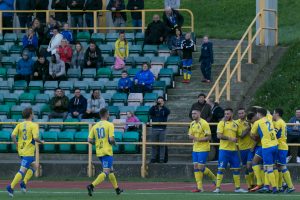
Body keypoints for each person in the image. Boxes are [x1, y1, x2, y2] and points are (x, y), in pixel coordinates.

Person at [6, 107, 44, 198]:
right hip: (28, 151)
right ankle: (10, 187)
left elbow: (12, 135)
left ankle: (23, 183)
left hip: (21, 150)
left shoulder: (20, 124)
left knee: (35, 166)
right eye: (33, 113)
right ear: (31, 114)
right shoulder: (34, 125)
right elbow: (35, 138)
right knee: (22, 170)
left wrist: (17, 144)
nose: (34, 114)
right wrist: (41, 141)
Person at [87, 108, 123, 196]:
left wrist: (97, 143)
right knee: (106, 171)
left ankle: (117, 189)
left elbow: (89, 139)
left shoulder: (95, 126)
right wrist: (114, 143)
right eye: (108, 113)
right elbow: (111, 139)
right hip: (107, 151)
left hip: (99, 151)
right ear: (107, 114)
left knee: (111, 170)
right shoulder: (109, 124)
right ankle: (91, 186)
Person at [213, 108, 248, 193]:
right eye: (225, 114)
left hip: (234, 151)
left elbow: (241, 135)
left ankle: (238, 188)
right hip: (224, 150)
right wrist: (230, 138)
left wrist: (249, 127)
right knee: (221, 169)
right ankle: (217, 188)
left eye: (228, 114)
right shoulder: (222, 123)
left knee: (236, 169)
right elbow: (219, 135)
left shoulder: (235, 124)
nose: (226, 115)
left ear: (232, 114)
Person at [250, 108, 278, 193]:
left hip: (267, 147)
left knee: (269, 168)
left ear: (258, 114)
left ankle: (274, 188)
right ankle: (266, 186)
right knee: (269, 166)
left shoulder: (257, 123)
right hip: (275, 145)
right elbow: (268, 112)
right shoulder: (269, 118)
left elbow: (252, 134)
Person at [188, 109, 216, 192]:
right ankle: (200, 187)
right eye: (192, 113)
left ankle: (214, 178)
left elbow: (209, 137)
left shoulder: (204, 123)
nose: (193, 115)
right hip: (195, 148)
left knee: (200, 167)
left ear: (199, 114)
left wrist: (199, 139)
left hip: (203, 148)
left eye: (195, 113)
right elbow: (190, 135)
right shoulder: (192, 123)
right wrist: (191, 137)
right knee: (195, 166)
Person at [272, 108, 295, 193]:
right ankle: (281, 186)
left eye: (273, 113)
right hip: (282, 146)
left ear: (277, 114)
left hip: (281, 147)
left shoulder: (278, 123)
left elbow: (274, 134)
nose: (273, 115)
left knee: (282, 166)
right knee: (278, 166)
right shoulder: (282, 122)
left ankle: (290, 186)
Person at [235, 108, 256, 191]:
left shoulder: (250, 121)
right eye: (239, 113)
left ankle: (253, 183)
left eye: (242, 113)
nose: (241, 115)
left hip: (250, 147)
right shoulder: (236, 123)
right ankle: (249, 185)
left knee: (249, 165)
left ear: (245, 113)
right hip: (242, 148)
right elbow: (241, 135)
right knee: (245, 167)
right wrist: (248, 128)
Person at [149, 96, 170, 163]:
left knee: (162, 145)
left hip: (163, 129)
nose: (160, 102)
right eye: (159, 101)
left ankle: (161, 159)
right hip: (154, 129)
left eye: (161, 101)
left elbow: (168, 112)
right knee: (153, 145)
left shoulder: (165, 109)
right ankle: (153, 158)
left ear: (163, 102)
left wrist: (163, 106)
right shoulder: (154, 108)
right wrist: (154, 105)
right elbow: (149, 112)